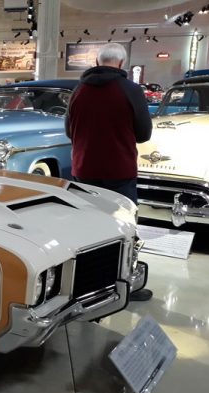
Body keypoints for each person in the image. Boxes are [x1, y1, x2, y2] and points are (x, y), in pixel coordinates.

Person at [65, 42, 153, 302]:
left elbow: (69, 130)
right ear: (122, 63)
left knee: (88, 229)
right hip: (119, 169)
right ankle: (125, 285)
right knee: (124, 228)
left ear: (96, 61)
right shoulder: (131, 90)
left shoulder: (79, 90)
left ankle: (87, 286)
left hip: (84, 169)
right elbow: (144, 134)